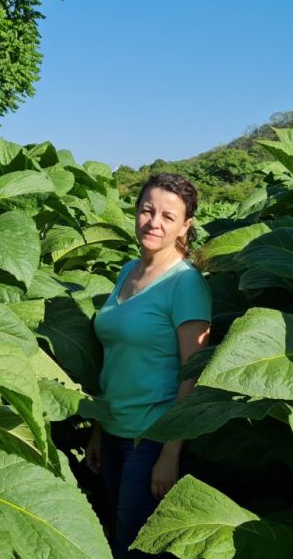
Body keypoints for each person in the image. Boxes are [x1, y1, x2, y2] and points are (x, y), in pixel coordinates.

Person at [86, 173, 212, 558]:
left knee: (133, 546)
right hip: (112, 431)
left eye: (167, 216)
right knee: (113, 534)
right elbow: (117, 357)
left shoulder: (185, 284)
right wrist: (97, 427)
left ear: (185, 226)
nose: (153, 222)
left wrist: (170, 453)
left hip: (151, 438)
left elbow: (195, 372)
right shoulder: (128, 271)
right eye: (147, 210)